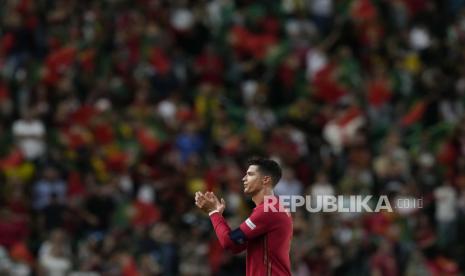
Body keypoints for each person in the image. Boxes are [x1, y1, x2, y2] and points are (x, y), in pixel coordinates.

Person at [195, 158, 293, 276]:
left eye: (250, 174)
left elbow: (228, 242)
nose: (244, 179)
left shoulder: (267, 211)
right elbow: (236, 246)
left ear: (265, 180)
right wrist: (218, 215)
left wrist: (213, 212)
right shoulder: (273, 207)